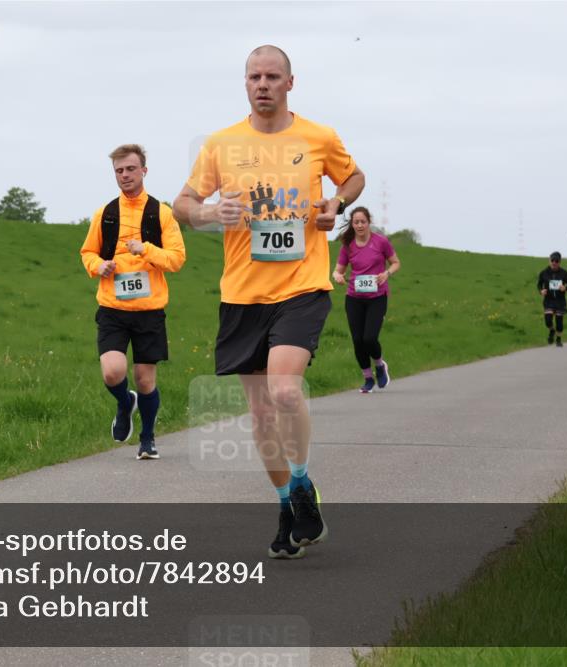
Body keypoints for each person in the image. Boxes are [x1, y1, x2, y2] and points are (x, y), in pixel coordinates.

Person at [173, 45, 365, 559]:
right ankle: (286, 504)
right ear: (245, 83)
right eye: (254, 76)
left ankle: (301, 482)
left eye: (272, 76)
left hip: (302, 286)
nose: (263, 84)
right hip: (242, 294)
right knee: (260, 414)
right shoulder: (221, 145)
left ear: (290, 83)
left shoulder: (318, 137)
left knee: (284, 392)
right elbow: (181, 205)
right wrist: (212, 212)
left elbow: (353, 177)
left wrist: (336, 204)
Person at [80, 144, 186, 460]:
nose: (124, 175)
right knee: (112, 372)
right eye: (119, 171)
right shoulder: (105, 214)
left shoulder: (161, 213)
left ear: (144, 170)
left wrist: (146, 251)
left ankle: (147, 439)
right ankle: (125, 403)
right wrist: (99, 266)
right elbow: (88, 252)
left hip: (149, 311)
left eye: (130, 169)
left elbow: (177, 259)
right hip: (112, 308)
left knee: (144, 378)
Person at [332, 207, 400, 392]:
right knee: (357, 341)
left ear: (369, 222)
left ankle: (379, 365)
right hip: (354, 298)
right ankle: (368, 379)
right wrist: (337, 276)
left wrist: (386, 273)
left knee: (369, 338)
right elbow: (338, 270)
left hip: (377, 297)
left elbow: (396, 263)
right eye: (356, 222)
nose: (360, 225)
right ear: (352, 224)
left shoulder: (381, 242)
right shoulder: (348, 245)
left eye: (363, 221)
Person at [537, 252, 567, 348]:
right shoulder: (544, 273)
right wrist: (541, 291)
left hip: (560, 301)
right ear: (549, 261)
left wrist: (565, 288)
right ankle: (552, 330)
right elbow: (539, 285)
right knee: (548, 321)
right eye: (552, 260)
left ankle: (558, 339)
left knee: (559, 322)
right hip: (548, 300)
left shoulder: (564, 273)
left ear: (560, 262)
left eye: (556, 261)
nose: (554, 263)